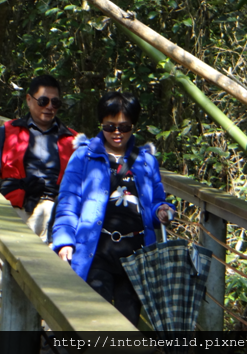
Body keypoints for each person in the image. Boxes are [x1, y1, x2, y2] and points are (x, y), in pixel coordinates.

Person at [51, 91, 174, 326]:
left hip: (137, 255)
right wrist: (64, 239)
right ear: (101, 124)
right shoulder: (84, 156)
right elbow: (68, 201)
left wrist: (163, 210)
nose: (117, 132)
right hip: (97, 251)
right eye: (110, 126)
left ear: (133, 125)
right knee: (95, 322)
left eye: (124, 126)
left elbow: (157, 200)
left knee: (127, 323)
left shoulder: (147, 161)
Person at [0, 75, 77, 242]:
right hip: (14, 210)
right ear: (29, 100)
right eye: (43, 101)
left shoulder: (73, 139)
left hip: (55, 213)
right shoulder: (8, 131)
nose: (49, 107)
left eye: (55, 103)